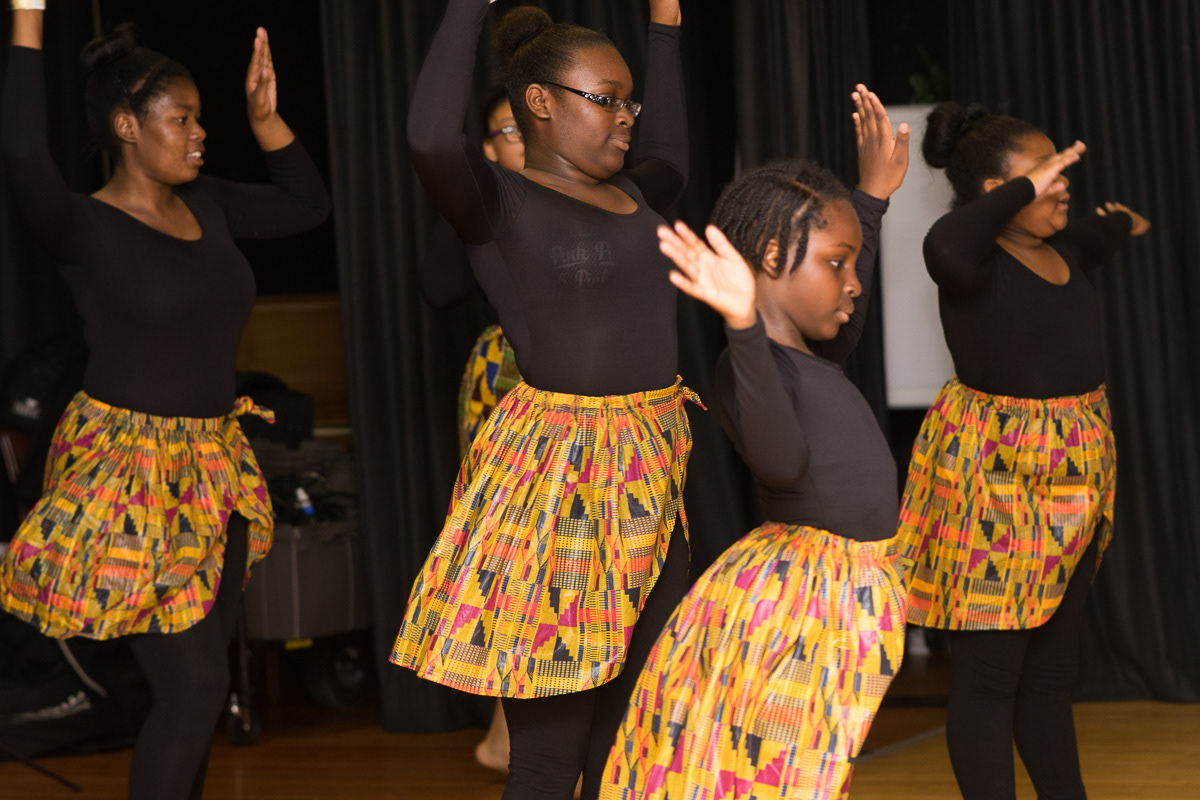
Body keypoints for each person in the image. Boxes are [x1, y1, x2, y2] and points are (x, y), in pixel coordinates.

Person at [0, 5, 330, 799]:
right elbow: (22, 150)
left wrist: (267, 121)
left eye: (200, 118)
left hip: (213, 470)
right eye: (181, 119)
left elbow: (307, 204)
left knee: (204, 687)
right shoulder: (80, 224)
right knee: (193, 687)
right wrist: (28, 16)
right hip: (125, 478)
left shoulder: (208, 203)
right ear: (126, 125)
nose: (199, 133)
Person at [389, 1, 693, 798]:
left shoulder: (640, 194)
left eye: (629, 101)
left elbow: (671, 152)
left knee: (631, 740)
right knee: (551, 757)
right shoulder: (500, 203)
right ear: (540, 103)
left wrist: (666, 26)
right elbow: (429, 140)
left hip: (653, 486)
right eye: (606, 99)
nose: (625, 116)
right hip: (560, 490)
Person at [600, 87, 911, 800]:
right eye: (836, 264)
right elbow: (781, 460)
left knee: (809, 772)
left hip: (847, 587)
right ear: (772, 256)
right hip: (801, 599)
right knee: (785, 775)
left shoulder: (809, 356)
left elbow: (843, 317)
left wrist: (870, 200)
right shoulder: (747, 366)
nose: (853, 284)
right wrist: (742, 325)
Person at [896, 101, 1151, 800]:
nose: (1062, 183)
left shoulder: (1066, 251)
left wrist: (1124, 223)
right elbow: (945, 245)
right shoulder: (971, 266)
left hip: (1077, 488)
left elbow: (1102, 234)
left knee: (1050, 675)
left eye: (1061, 171)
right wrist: (1027, 185)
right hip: (995, 485)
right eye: (1045, 173)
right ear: (997, 192)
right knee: (990, 678)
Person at [415, 85, 527, 776]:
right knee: (508, 557)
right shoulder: (487, 204)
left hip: (584, 386)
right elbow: (439, 287)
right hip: (504, 384)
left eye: (528, 124)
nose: (521, 138)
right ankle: (509, 733)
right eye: (506, 130)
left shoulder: (586, 194)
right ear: (487, 146)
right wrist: (471, 190)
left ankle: (514, 733)